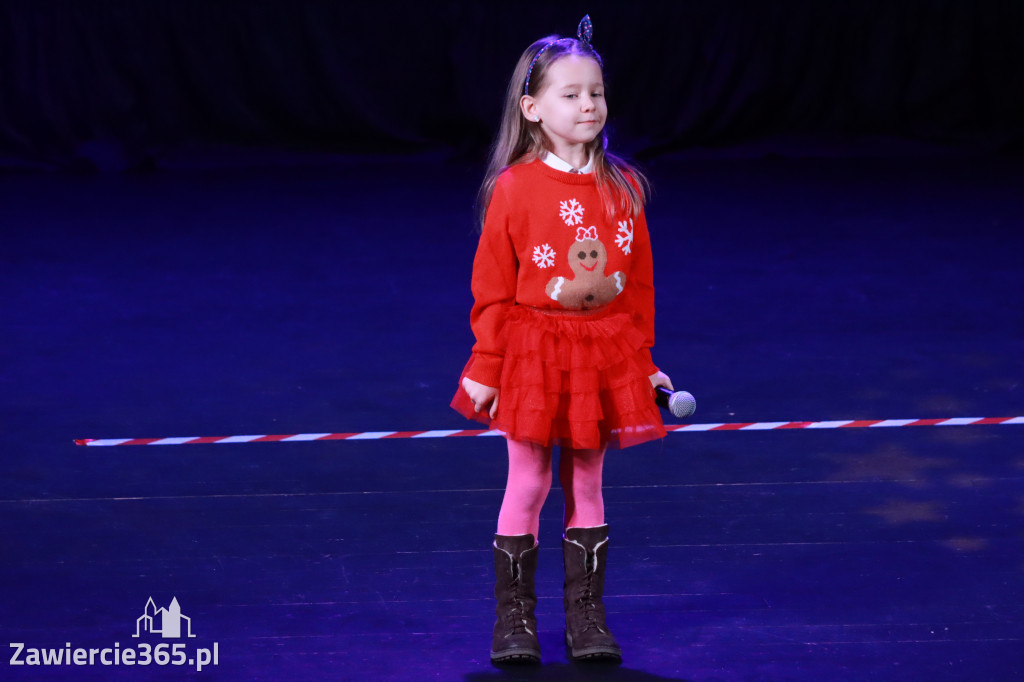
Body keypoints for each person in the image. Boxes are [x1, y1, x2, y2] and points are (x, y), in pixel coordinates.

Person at [451, 15, 672, 665]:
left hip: (603, 351)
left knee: (589, 477)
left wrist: (647, 362)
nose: (588, 105)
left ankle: (586, 616)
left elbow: (636, 288)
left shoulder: (624, 186)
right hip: (533, 352)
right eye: (570, 94)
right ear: (532, 109)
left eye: (595, 92)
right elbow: (492, 289)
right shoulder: (514, 190)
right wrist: (486, 364)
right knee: (529, 481)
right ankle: (514, 620)